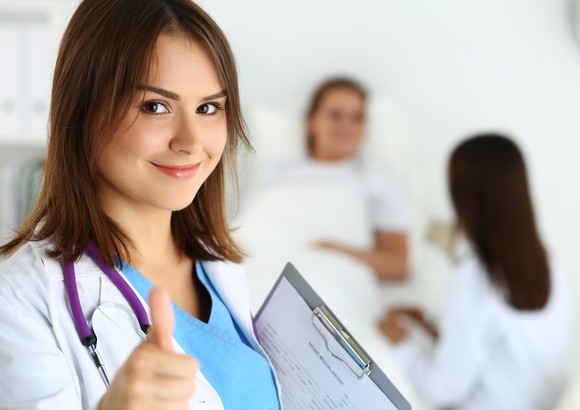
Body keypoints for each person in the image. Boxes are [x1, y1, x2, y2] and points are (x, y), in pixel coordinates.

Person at [0, 1, 281, 409]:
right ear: (83, 109)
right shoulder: (19, 301)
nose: (190, 141)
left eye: (208, 108)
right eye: (155, 106)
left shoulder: (220, 268)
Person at [379, 134, 571, 409]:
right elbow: (500, 348)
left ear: (464, 198)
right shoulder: (550, 265)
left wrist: (400, 343)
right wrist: (434, 328)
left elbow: (443, 390)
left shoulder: (476, 278)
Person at [254, 77, 411, 281]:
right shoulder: (276, 169)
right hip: (261, 259)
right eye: (335, 115)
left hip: (326, 273)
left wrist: (335, 253)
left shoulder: (377, 179)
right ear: (312, 122)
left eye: (357, 117)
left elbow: (397, 265)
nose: (346, 126)